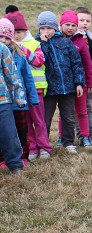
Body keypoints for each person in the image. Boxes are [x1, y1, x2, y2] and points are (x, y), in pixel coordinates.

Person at [36, 11, 85, 154]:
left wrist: (79, 83)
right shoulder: (37, 44)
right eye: (43, 28)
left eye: (49, 28)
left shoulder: (65, 42)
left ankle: (68, 142)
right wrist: (44, 43)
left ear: (55, 28)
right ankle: (44, 145)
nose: (46, 31)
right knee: (45, 118)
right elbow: (42, 60)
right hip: (49, 89)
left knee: (68, 117)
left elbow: (76, 63)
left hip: (67, 88)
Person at [4, 8, 50, 160]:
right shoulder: (6, 48)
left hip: (36, 88)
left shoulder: (34, 43)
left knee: (39, 120)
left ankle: (44, 147)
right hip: (19, 93)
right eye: (13, 33)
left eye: (19, 32)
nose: (16, 36)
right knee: (27, 123)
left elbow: (39, 61)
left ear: (25, 31)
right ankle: (32, 147)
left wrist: (22, 48)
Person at [0, 18, 38, 165]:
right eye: (0, 37)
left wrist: (31, 98)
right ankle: (3, 159)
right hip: (5, 101)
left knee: (19, 131)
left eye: (6, 38)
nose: (3, 41)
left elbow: (24, 78)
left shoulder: (19, 55)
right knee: (5, 132)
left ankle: (22, 157)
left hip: (16, 101)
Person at [59, 10, 92, 148]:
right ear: (61, 25)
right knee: (64, 113)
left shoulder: (80, 41)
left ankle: (85, 136)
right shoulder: (56, 40)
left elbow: (88, 63)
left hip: (81, 82)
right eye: (67, 25)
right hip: (64, 84)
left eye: (73, 25)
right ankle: (62, 137)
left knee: (82, 111)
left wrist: (91, 83)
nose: (70, 28)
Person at [0, 42, 26, 174]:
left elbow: (12, 74)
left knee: (9, 134)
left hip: (2, 100)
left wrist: (19, 97)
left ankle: (15, 165)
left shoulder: (2, 48)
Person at [75, 6, 92, 141]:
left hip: (87, 79)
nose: (85, 23)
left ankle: (91, 132)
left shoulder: (91, 39)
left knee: (88, 106)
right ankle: (80, 134)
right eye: (82, 20)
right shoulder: (72, 38)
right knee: (76, 109)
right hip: (75, 79)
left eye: (88, 21)